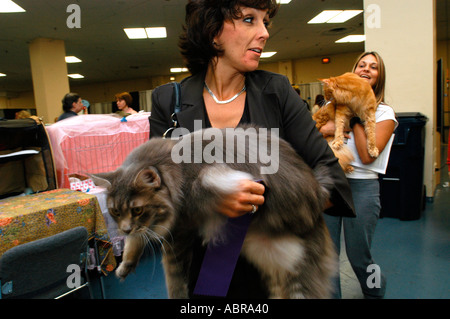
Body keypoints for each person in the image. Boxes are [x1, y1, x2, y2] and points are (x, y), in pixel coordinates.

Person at [150, 0, 355, 298]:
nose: (264, 33)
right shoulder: (169, 101)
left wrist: (263, 203)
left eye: (265, 22)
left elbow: (333, 181)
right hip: (203, 273)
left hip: (276, 276)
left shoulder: (277, 93)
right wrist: (211, 202)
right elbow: (157, 195)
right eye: (249, 19)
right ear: (213, 31)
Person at [320, 51, 397, 299]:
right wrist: (325, 129)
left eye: (373, 67)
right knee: (328, 255)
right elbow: (316, 136)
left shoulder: (384, 114)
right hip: (331, 183)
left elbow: (366, 156)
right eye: (361, 65)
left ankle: (375, 291)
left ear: (379, 76)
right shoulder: (332, 106)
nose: (366, 69)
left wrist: (353, 118)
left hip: (363, 189)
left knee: (360, 256)